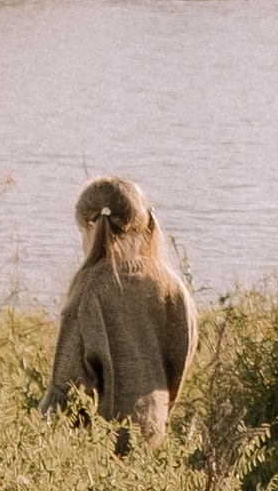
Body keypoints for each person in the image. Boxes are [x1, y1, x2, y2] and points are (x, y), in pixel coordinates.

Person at [43, 173, 197, 446]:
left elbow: (66, 390)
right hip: (151, 436)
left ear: (91, 228)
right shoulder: (172, 287)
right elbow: (179, 365)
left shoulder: (87, 291)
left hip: (99, 447)